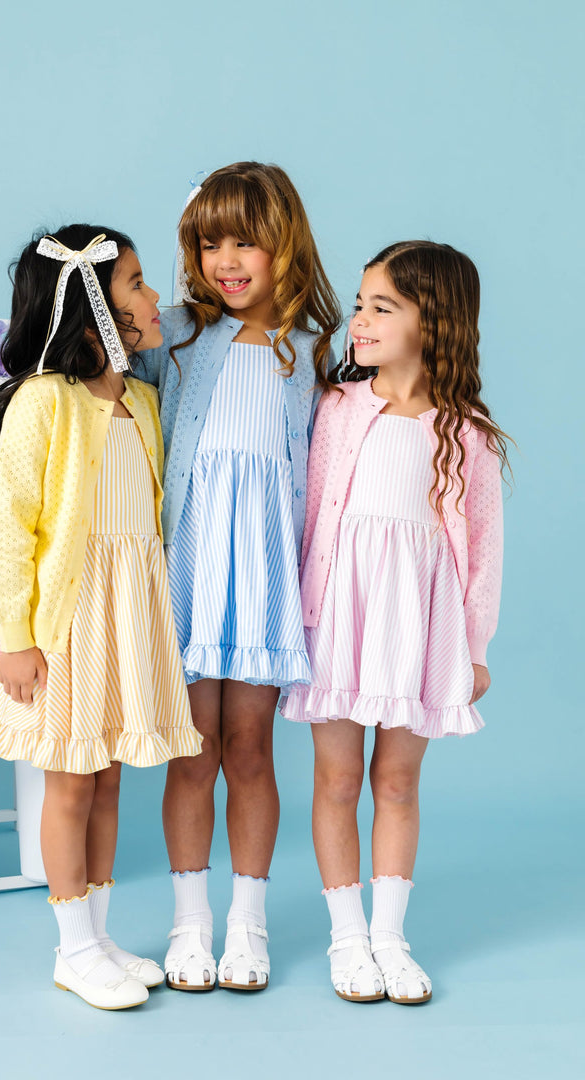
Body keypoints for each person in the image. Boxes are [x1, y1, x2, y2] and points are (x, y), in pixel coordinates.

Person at [0, 224, 202, 1011]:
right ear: (92, 307)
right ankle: (72, 949)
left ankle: (100, 939)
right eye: (137, 284)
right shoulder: (46, 400)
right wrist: (18, 639)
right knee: (71, 784)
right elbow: (14, 528)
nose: (155, 298)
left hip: (129, 612)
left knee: (108, 781)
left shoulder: (141, 400)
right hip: (69, 620)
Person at [281, 241, 509, 1004]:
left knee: (399, 782)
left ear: (432, 321)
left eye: (383, 307)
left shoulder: (465, 430)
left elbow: (482, 549)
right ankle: (348, 939)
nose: (361, 320)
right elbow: (312, 517)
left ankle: (389, 938)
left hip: (419, 624)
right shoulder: (338, 409)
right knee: (337, 778)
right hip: (340, 615)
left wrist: (473, 647)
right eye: (359, 305)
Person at [140, 162, 341, 991]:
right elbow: (100, 371)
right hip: (190, 566)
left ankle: (246, 924)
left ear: (284, 244)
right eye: (207, 242)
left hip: (261, 576)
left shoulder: (316, 353)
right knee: (192, 752)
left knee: (251, 750)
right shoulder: (175, 336)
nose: (224, 261)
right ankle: (190, 923)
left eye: (244, 243)